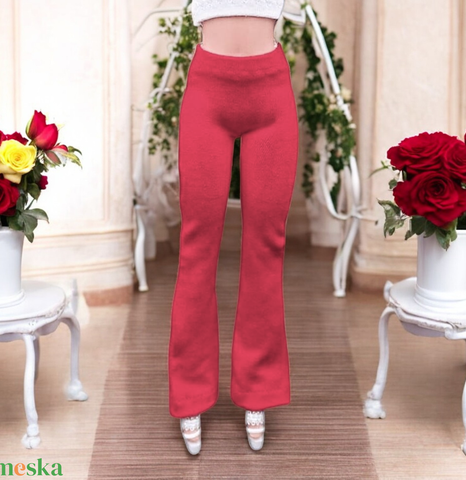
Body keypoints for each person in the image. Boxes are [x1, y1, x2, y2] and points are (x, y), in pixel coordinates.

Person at [168, 0, 298, 455]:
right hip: (208, 90)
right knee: (197, 246)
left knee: (267, 245)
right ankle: (189, 395)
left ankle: (258, 390)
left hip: (271, 92)